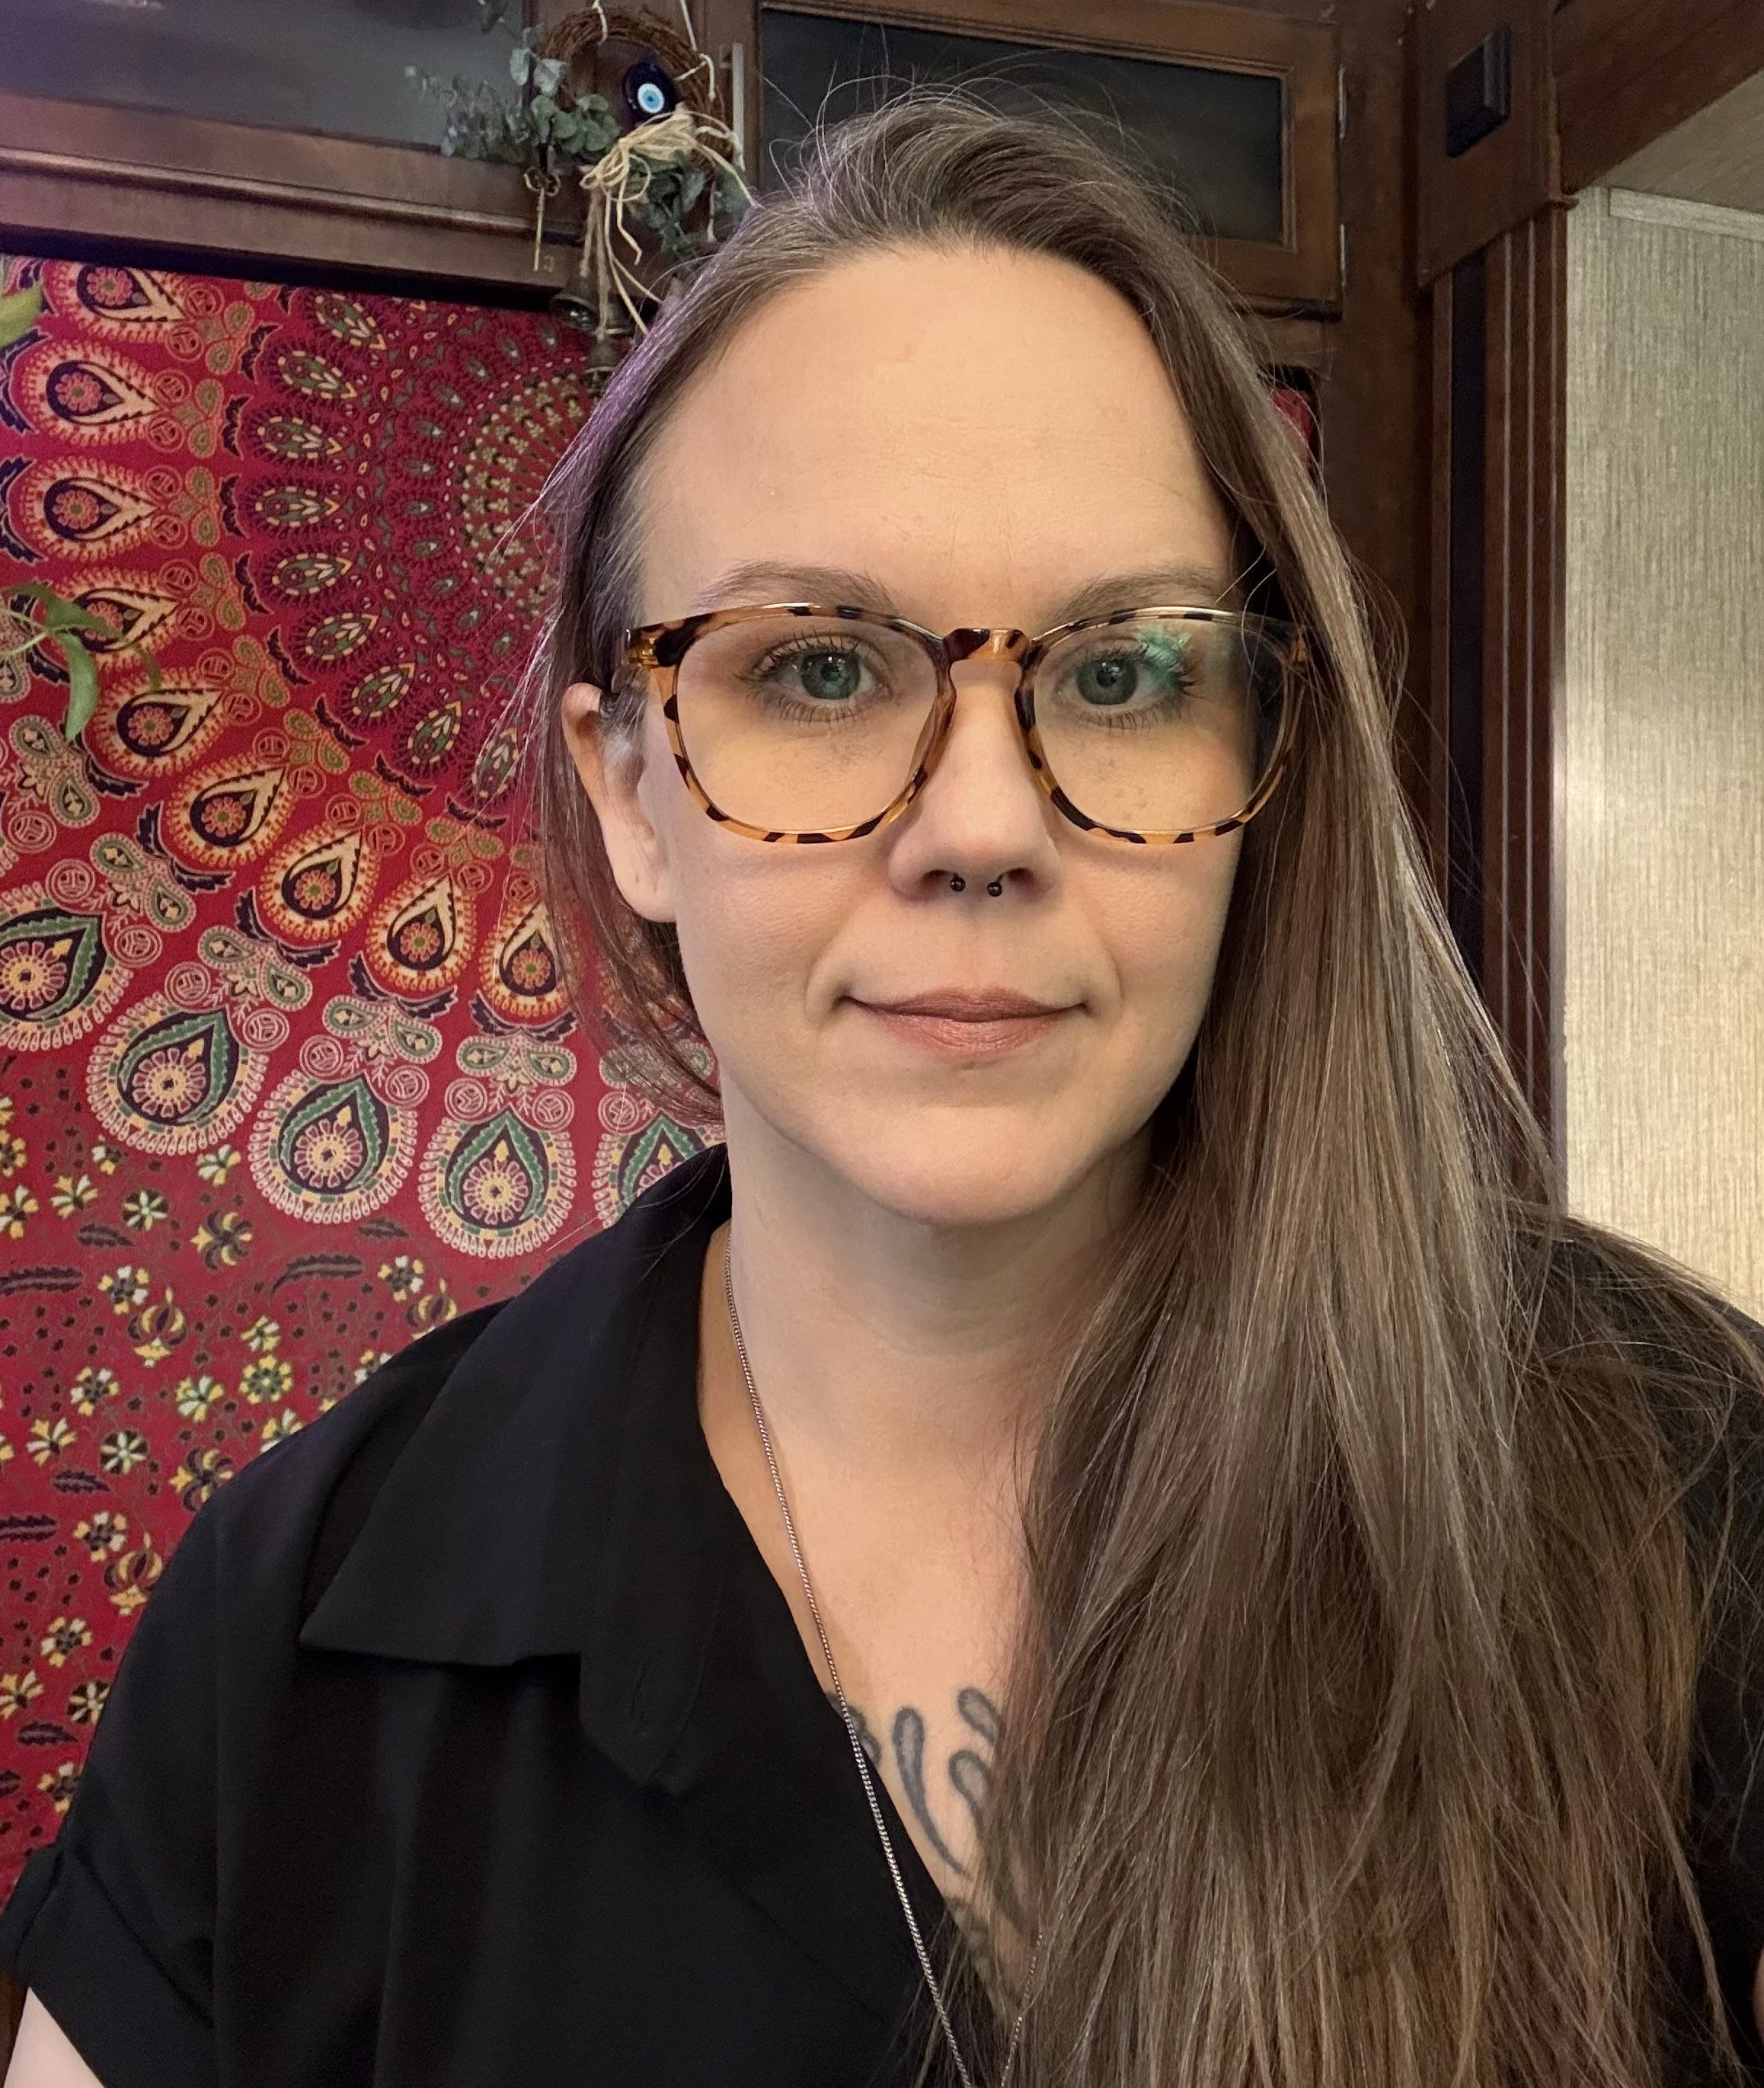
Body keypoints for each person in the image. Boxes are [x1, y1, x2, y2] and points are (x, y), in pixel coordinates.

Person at [5, 91, 1764, 2088]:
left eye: (1120, 670)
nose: (982, 824)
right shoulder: (299, 1630)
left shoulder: (1667, 1482)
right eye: (822, 667)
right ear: (628, 791)